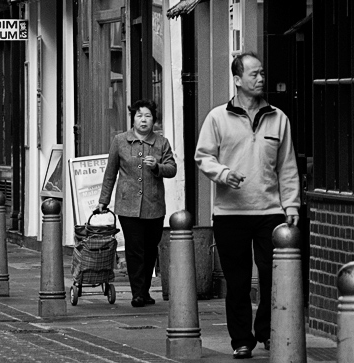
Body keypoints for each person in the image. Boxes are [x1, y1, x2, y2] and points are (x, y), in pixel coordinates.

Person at [194, 52, 301, 359]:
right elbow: (203, 157)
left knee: (272, 276)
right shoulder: (217, 117)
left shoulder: (278, 118)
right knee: (238, 282)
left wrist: (291, 206)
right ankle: (242, 339)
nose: (261, 79)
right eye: (254, 74)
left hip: (270, 212)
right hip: (230, 214)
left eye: (263, 74)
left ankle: (267, 330)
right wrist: (223, 174)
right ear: (238, 80)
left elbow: (288, 167)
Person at [97, 100, 176, 308]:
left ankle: (145, 290)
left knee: (150, 249)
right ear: (133, 118)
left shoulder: (162, 143)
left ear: (154, 120)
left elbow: (172, 168)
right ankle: (138, 293)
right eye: (139, 115)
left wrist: (158, 167)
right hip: (128, 205)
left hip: (154, 205)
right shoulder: (120, 141)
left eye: (148, 116)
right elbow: (110, 173)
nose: (143, 120)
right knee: (134, 249)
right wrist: (103, 201)